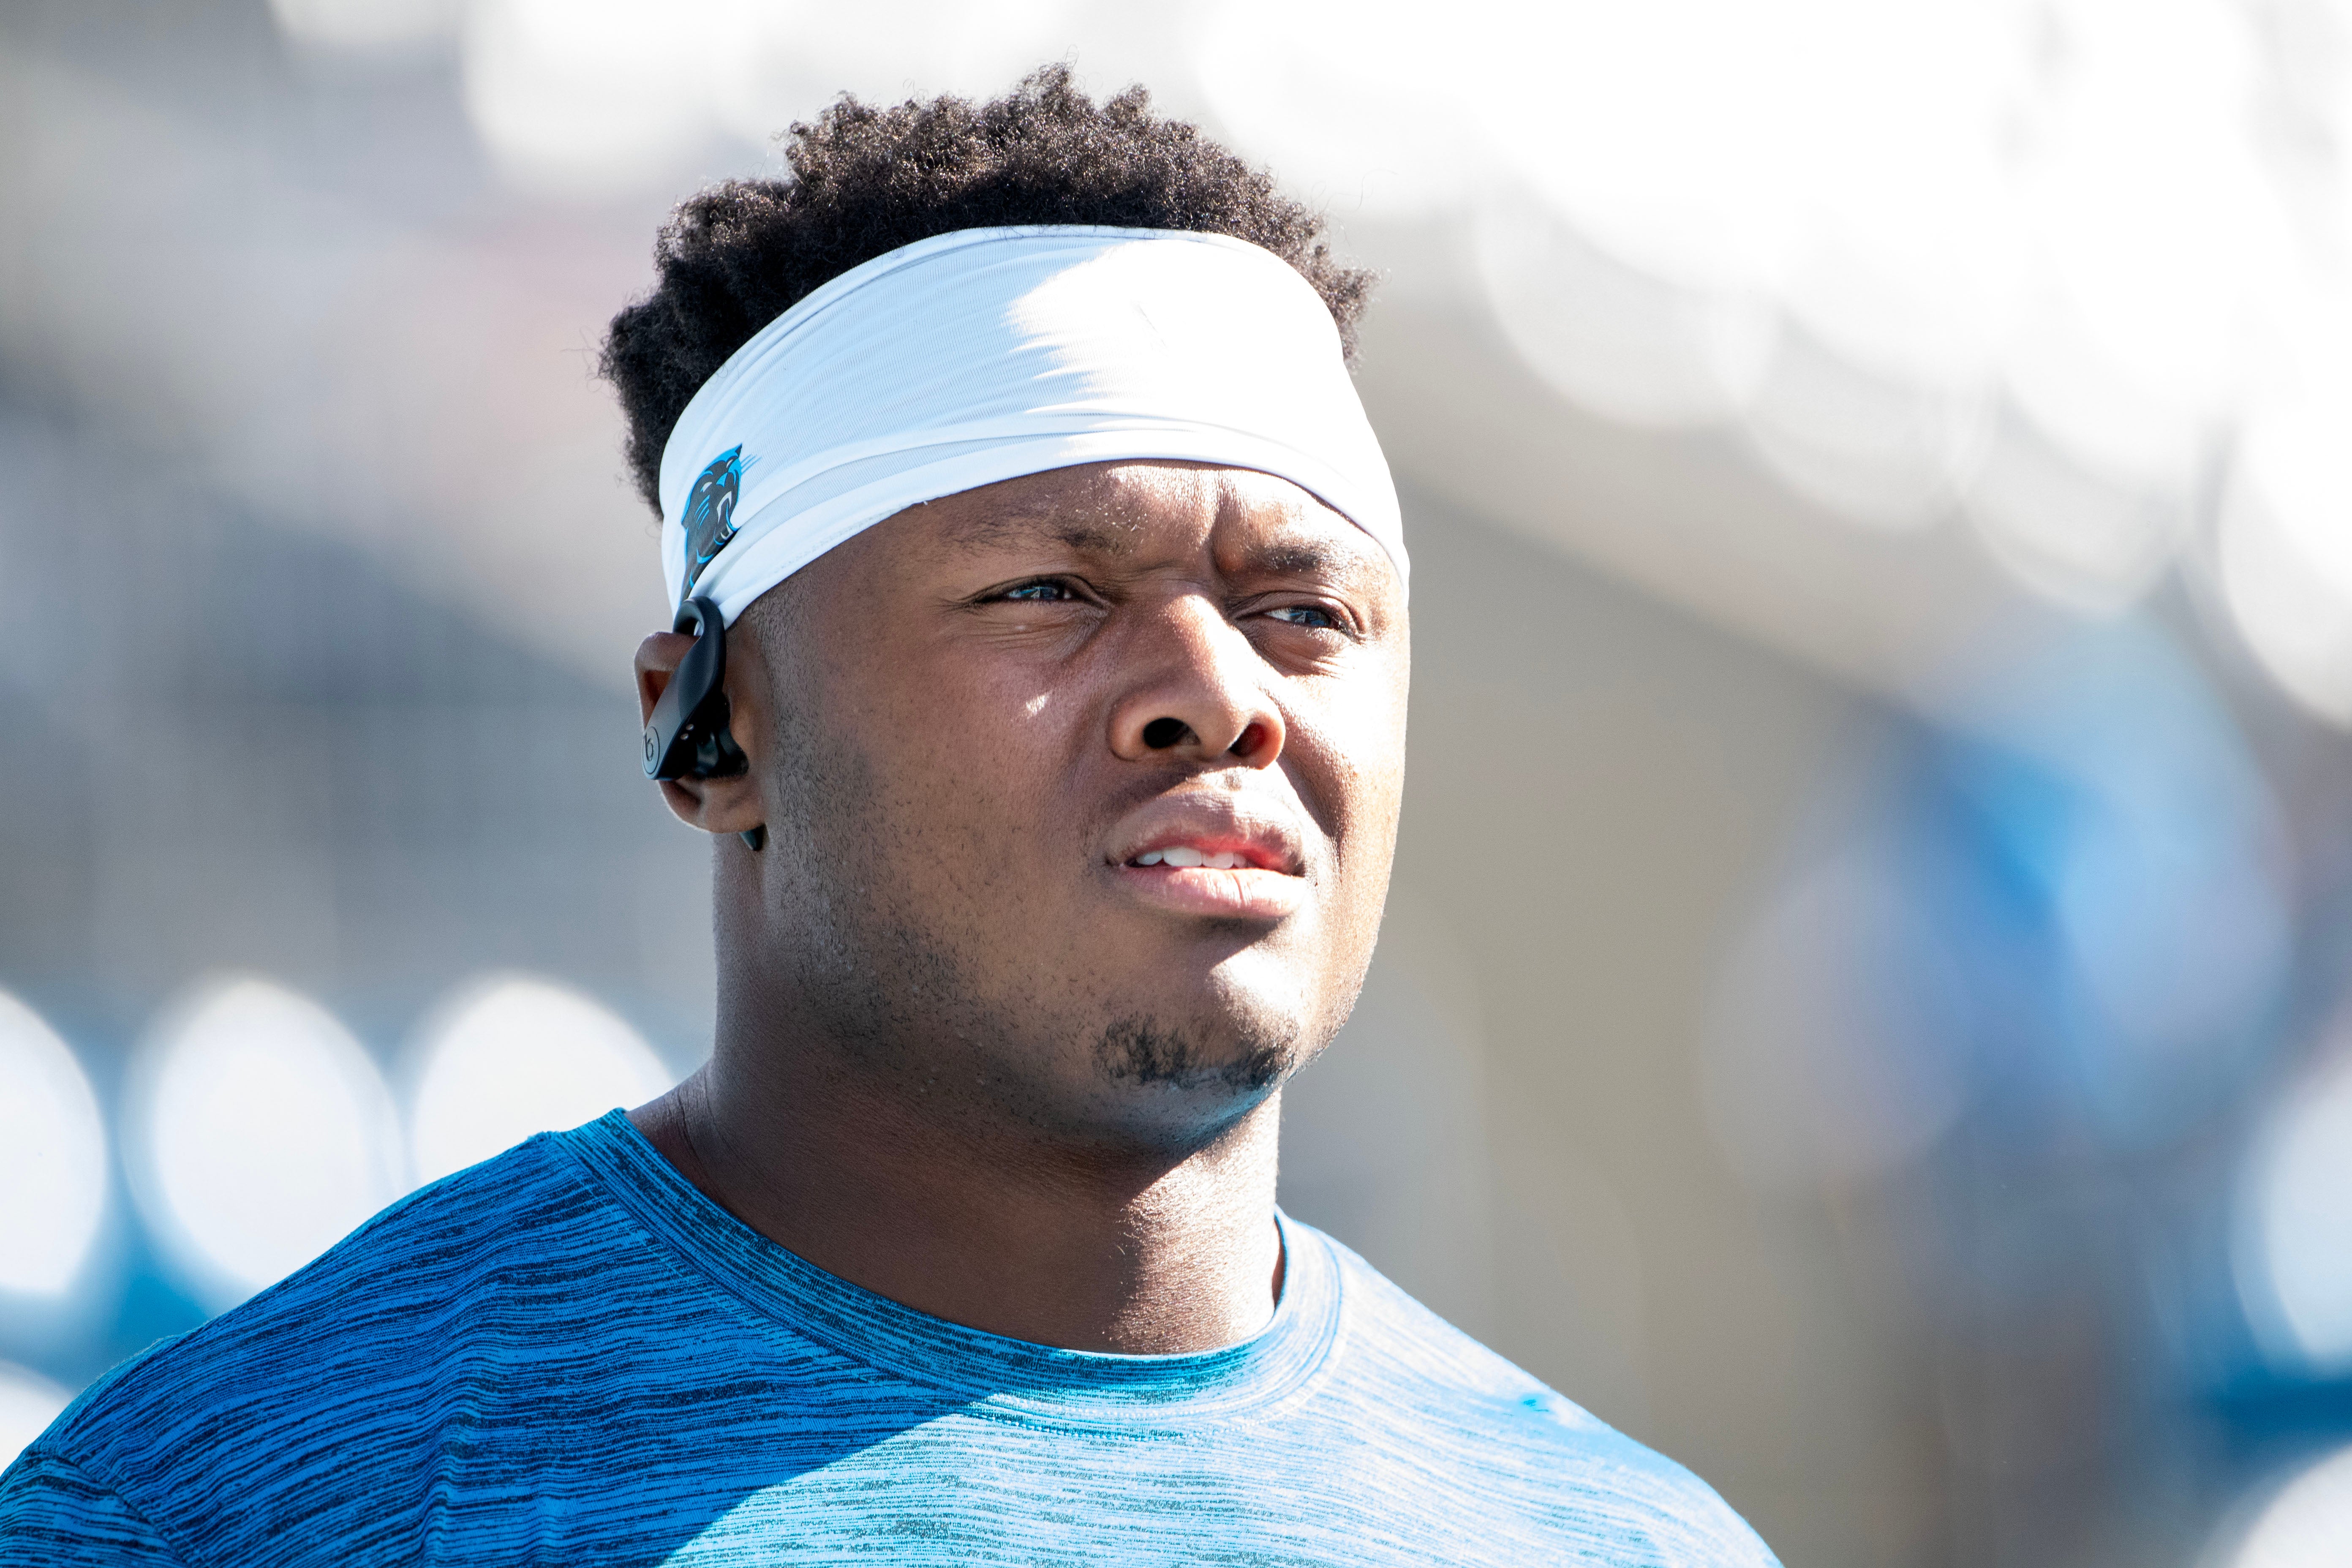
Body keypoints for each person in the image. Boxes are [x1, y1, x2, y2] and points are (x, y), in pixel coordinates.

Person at [0, 69, 1777, 1565]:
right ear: (714, 728)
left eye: (1303, 611)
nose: (1222, 688)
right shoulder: (240, 1510)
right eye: (1048, 591)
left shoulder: (1619, 1538)